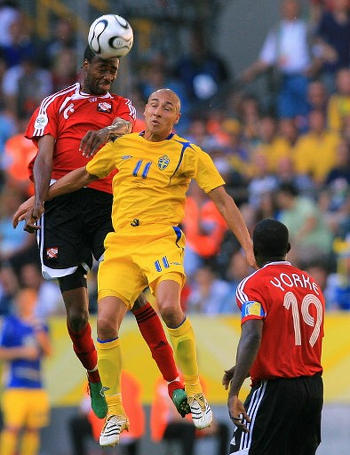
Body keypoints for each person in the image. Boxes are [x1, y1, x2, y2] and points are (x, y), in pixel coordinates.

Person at [17, 88, 255, 447]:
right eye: (154, 105)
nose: (159, 112)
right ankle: (115, 412)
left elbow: (222, 199)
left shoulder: (188, 153)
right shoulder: (121, 146)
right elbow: (81, 177)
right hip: (121, 245)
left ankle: (195, 393)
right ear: (146, 111)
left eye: (168, 108)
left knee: (171, 307)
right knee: (106, 322)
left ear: (177, 118)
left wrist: (248, 245)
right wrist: (38, 198)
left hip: (161, 242)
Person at [12, 47, 188, 420]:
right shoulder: (55, 104)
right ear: (86, 65)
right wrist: (39, 200)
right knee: (78, 316)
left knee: (138, 296)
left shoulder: (121, 106)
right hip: (61, 210)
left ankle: (174, 380)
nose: (109, 75)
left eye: (115, 69)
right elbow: (44, 157)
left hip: (108, 205)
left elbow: (126, 127)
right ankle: (93, 376)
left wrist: (107, 131)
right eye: (104, 67)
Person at [223, 218, 324, 455]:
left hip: (275, 390)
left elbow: (252, 336)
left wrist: (234, 392)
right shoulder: (311, 284)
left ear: (254, 250)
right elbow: (288, 340)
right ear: (288, 248)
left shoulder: (253, 285)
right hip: (312, 391)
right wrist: (243, 368)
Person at [0, 287, 52, 455]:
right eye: (24, 299)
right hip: (15, 385)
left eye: (31, 299)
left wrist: (39, 333)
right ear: (18, 302)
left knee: (33, 429)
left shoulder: (40, 325)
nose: (27, 303)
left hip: (36, 385)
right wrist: (22, 352)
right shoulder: (10, 323)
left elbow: (48, 352)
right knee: (12, 427)